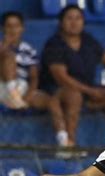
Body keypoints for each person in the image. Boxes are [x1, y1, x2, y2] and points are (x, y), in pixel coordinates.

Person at [39, 5, 105, 146]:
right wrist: (91, 91)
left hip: (87, 91)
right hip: (57, 92)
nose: (74, 22)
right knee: (74, 95)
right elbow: (61, 78)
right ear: (61, 22)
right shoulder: (54, 44)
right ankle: (70, 145)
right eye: (69, 18)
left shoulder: (88, 41)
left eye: (78, 18)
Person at [0, 11, 69, 146]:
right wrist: (5, 48)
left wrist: (29, 95)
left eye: (16, 26)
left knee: (52, 101)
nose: (12, 30)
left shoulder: (29, 50)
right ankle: (13, 95)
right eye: (9, 26)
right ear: (3, 29)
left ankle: (63, 142)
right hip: (2, 88)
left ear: (22, 28)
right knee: (8, 57)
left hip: (22, 90)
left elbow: (33, 77)